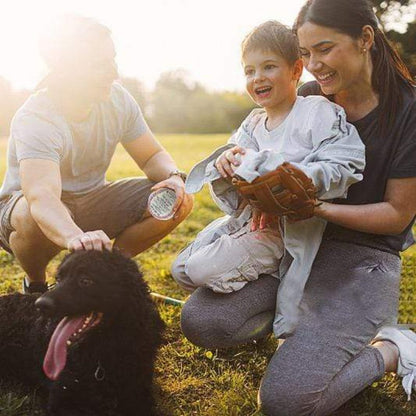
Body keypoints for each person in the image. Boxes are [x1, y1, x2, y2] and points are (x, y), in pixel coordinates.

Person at [179, 0, 416, 414]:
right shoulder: (306, 97)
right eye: (305, 54)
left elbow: (396, 215)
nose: (313, 65)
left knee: (287, 403)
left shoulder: (409, 113)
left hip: (363, 258)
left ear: (365, 39)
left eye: (324, 49)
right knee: (203, 321)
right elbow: (260, 147)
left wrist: (315, 208)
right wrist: (239, 168)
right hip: (293, 248)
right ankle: (303, 332)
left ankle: (392, 348)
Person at [171, 21, 364, 336]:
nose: (257, 77)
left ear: (295, 70)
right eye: (249, 71)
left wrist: (293, 177)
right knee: (180, 270)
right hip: (250, 223)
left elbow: (347, 162)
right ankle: (250, 275)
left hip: (283, 232)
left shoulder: (316, 112)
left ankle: (271, 279)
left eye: (268, 67)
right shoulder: (253, 123)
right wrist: (226, 165)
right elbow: (234, 192)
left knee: (198, 268)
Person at [0, 15, 193, 294]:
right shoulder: (37, 118)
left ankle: (108, 272)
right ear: (67, 71)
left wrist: (174, 178)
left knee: (179, 199)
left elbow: (152, 157)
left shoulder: (118, 100)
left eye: (112, 60)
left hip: (90, 200)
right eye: (100, 65)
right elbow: (41, 197)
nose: (113, 73)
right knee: (31, 216)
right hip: (27, 209)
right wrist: (76, 237)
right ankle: (36, 284)